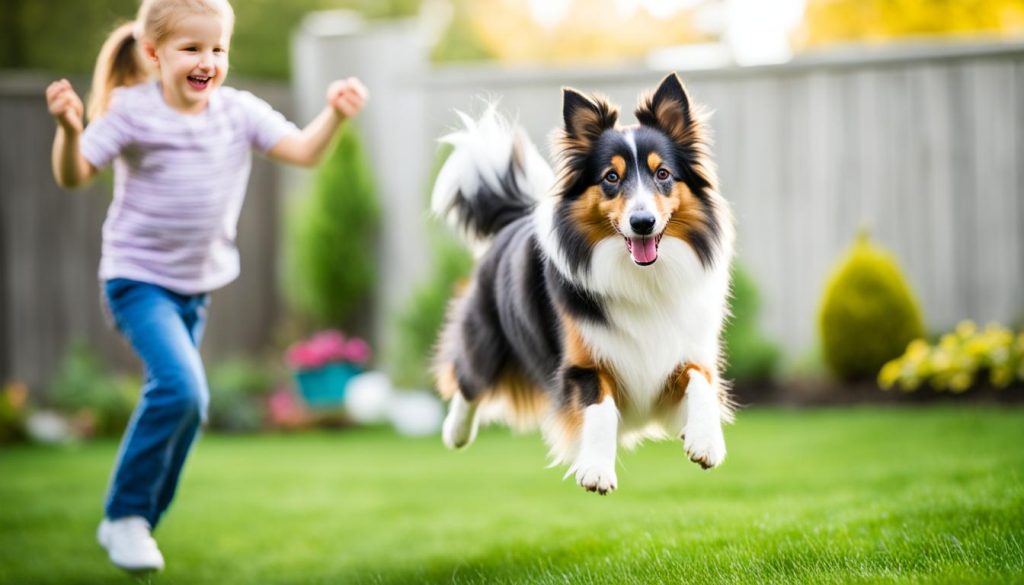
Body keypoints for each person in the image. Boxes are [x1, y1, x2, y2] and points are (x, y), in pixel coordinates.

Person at [45, 0, 367, 573]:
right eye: (191, 49)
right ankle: (125, 515)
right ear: (153, 53)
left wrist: (335, 116)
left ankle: (139, 520)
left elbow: (302, 151)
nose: (207, 61)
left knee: (188, 407)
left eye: (217, 49)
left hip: (195, 289)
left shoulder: (236, 112)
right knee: (183, 391)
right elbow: (74, 175)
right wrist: (71, 130)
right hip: (137, 281)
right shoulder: (131, 111)